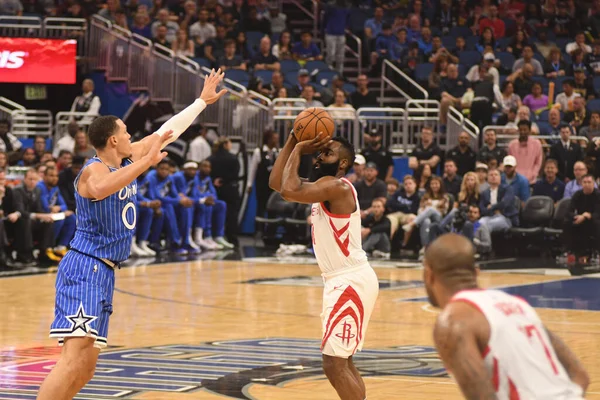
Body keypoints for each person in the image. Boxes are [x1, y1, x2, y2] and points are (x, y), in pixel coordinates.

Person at [37, 69, 226, 400]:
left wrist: (200, 103)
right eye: (125, 133)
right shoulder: (93, 170)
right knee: (71, 360)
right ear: (113, 139)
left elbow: (165, 133)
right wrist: (144, 163)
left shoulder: (125, 160)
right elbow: (99, 189)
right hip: (85, 267)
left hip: (105, 271)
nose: (130, 136)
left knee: (86, 367)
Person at [269, 131, 379, 400]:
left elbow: (290, 189)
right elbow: (277, 183)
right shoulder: (324, 188)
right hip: (341, 280)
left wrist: (299, 151)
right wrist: (293, 140)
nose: (318, 156)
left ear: (342, 163)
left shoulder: (337, 187)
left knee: (333, 364)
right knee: (344, 362)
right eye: (318, 152)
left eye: (326, 153)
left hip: (350, 280)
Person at [424, 233, 589, 399]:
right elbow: (581, 376)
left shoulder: (453, 321)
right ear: (476, 273)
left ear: (429, 274)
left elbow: (483, 397)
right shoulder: (518, 305)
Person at [37, 166, 76, 258]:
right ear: (44, 176)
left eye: (56, 176)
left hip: (52, 215)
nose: (55, 178)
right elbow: (45, 207)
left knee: (72, 218)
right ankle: (49, 246)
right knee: (60, 218)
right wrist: (58, 210)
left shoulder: (55, 188)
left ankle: (61, 246)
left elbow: (64, 205)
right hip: (41, 216)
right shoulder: (40, 187)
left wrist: (58, 208)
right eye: (51, 175)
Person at [564, 174, 600, 263]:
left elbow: (598, 212)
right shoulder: (578, 194)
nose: (587, 184)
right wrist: (576, 216)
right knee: (567, 223)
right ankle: (569, 251)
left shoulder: (598, 195)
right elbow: (569, 211)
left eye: (589, 182)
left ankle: (596, 252)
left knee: (596, 224)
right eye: (585, 182)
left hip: (593, 218)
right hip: (580, 218)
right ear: (581, 184)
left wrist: (587, 216)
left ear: (593, 183)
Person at [247, 130, 279, 218]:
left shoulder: (277, 152)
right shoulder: (258, 152)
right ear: (268, 139)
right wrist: (249, 184)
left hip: (273, 186)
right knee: (261, 207)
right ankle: (259, 229)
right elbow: (252, 169)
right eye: (274, 139)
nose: (276, 141)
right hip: (262, 184)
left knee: (273, 208)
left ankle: (271, 230)